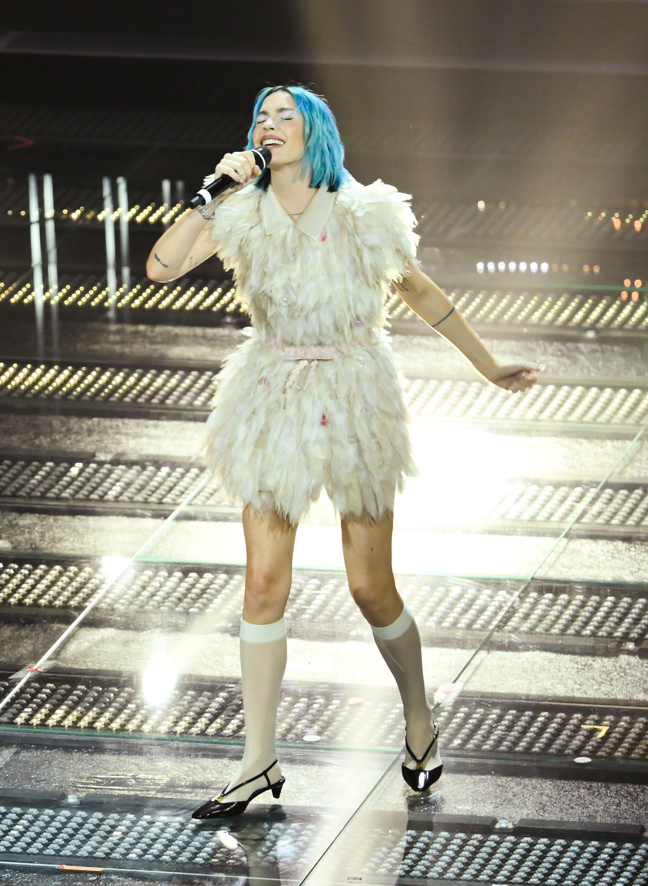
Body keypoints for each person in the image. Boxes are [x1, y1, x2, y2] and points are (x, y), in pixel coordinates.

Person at [147, 84, 542, 819]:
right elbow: (161, 267)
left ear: (315, 132)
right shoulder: (240, 208)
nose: (270, 125)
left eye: (285, 116)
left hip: (355, 393)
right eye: (261, 116)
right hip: (272, 392)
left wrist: (489, 366)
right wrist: (211, 193)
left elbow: (421, 293)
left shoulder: (362, 211)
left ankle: (419, 717)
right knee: (262, 586)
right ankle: (257, 761)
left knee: (370, 587)